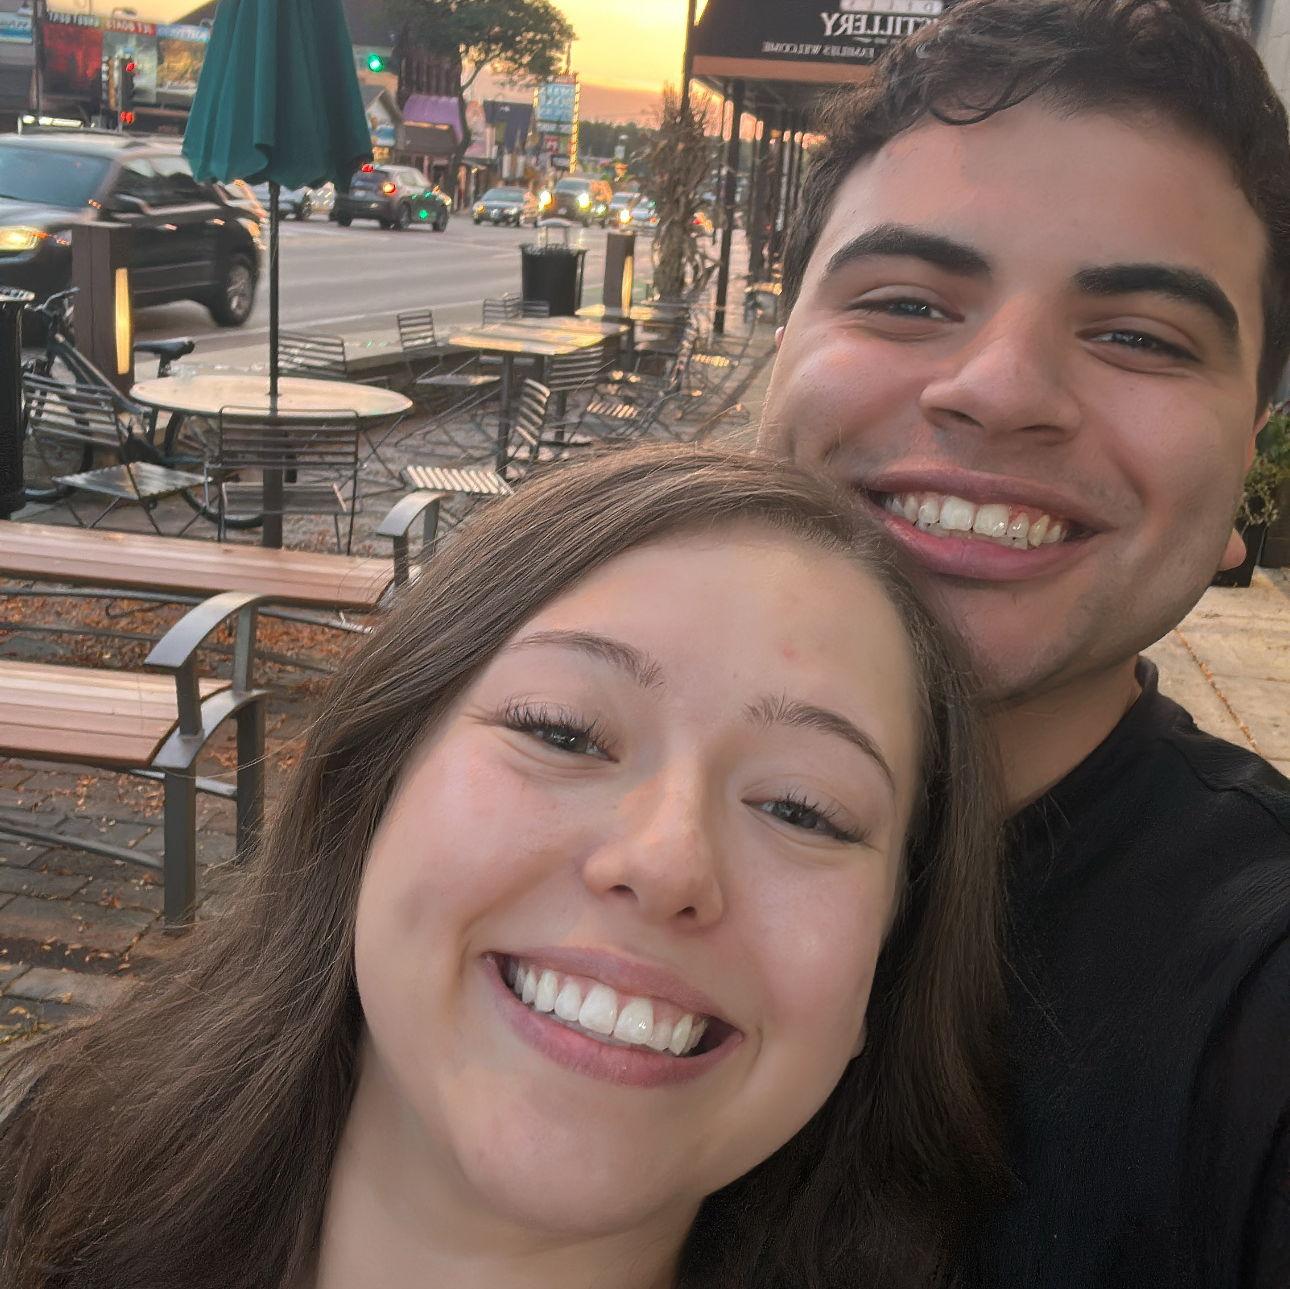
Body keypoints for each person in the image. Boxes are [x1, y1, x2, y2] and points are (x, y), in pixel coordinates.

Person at [0, 446, 1007, 1289]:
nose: (666, 862)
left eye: (802, 808)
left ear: (888, 958)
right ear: (370, 790)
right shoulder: (34, 1195)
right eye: (563, 731)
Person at [759, 0, 1290, 1284]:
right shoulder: (493, 793)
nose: (997, 390)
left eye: (1139, 337)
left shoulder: (1257, 995)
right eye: (905, 301)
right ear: (776, 355)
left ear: (1248, 459)